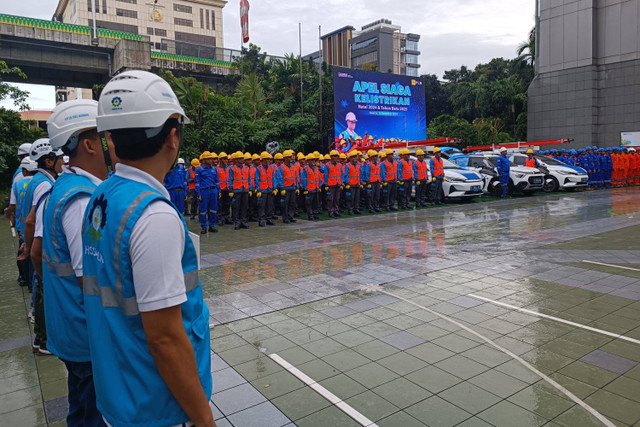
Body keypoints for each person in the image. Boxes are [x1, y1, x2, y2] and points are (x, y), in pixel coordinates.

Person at [83, 70, 215, 427]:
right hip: (156, 406)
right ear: (173, 137)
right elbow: (165, 338)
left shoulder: (101, 197)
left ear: (111, 140)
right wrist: (205, 419)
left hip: (120, 391)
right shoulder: (153, 216)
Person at [43, 99, 116, 426]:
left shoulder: (68, 186)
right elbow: (92, 276)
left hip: (71, 327)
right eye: (108, 136)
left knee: (81, 409)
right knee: (92, 415)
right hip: (86, 333)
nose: (113, 143)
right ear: (89, 144)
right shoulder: (84, 199)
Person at [20, 138, 64, 355]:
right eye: (59, 158)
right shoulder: (46, 185)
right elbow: (32, 220)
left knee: (40, 294)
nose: (64, 162)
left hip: (33, 244)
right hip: (41, 247)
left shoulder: (35, 181)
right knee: (44, 293)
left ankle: (40, 339)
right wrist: (31, 250)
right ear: (49, 161)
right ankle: (45, 341)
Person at [8, 158, 38, 291]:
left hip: (23, 225)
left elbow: (13, 206)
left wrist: (10, 216)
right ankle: (35, 284)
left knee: (24, 252)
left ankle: (26, 280)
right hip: (37, 225)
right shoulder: (40, 183)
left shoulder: (17, 184)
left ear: (24, 171)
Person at [196, 152, 219, 234]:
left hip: (213, 191)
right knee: (203, 210)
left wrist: (218, 191)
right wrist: (198, 193)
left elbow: (217, 181)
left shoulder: (214, 169)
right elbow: (197, 182)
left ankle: (212, 226)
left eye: (210, 159)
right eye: (208, 159)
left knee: (213, 209)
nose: (210, 160)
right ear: (204, 160)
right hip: (204, 191)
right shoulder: (199, 169)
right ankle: (204, 227)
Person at [227, 152, 251, 230]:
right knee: (236, 207)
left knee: (244, 207)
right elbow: (230, 179)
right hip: (237, 190)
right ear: (236, 160)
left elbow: (248, 179)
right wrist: (230, 189)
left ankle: (243, 221)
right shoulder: (232, 168)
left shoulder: (246, 168)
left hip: (245, 190)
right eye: (240, 158)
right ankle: (237, 222)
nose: (241, 160)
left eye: (242, 158)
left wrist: (250, 188)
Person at [276, 150, 298, 223]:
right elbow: (279, 178)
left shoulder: (293, 167)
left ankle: (290, 216)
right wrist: (282, 188)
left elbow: (295, 177)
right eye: (288, 157)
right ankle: (285, 218)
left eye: (290, 157)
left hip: (292, 187)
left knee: (292, 203)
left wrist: (296, 186)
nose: (290, 158)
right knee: (285, 204)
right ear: (285, 158)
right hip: (286, 188)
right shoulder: (281, 168)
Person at [254, 152, 275, 226]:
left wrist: (274, 188)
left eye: (268, 159)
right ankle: (261, 220)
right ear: (262, 160)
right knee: (261, 206)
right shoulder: (258, 169)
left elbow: (273, 178)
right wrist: (258, 189)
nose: (267, 161)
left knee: (270, 206)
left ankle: (269, 219)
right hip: (262, 190)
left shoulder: (271, 168)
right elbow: (256, 180)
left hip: (269, 189)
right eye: (265, 159)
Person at [301, 153, 320, 221]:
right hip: (309, 189)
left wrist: (319, 186)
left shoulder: (316, 168)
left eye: (314, 160)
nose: (313, 161)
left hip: (316, 188)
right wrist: (305, 188)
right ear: (308, 161)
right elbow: (303, 179)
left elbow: (318, 178)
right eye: (311, 160)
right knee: (309, 203)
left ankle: (315, 214)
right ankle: (310, 215)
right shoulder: (305, 169)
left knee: (316, 203)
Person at [324, 150, 342, 218]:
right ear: (331, 157)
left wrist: (341, 182)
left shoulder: (339, 165)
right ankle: (330, 212)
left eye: (337, 156)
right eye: (334, 156)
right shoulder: (327, 165)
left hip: (337, 184)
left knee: (337, 199)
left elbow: (341, 174)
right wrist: (326, 184)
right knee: (330, 199)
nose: (336, 157)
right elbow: (326, 175)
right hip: (330, 185)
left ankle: (336, 211)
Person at [343, 151, 362, 215]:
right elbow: (346, 175)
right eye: (353, 157)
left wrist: (361, 182)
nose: (355, 158)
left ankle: (356, 209)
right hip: (351, 184)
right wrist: (347, 183)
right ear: (350, 158)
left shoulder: (358, 165)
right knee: (350, 198)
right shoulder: (347, 166)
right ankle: (350, 209)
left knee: (357, 198)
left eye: (355, 157)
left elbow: (360, 174)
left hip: (357, 183)